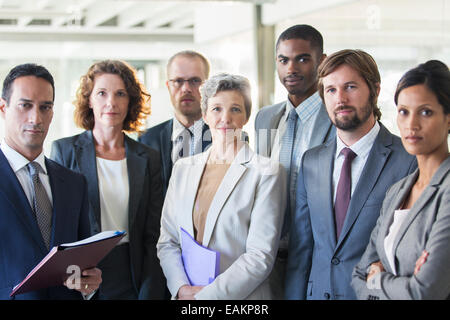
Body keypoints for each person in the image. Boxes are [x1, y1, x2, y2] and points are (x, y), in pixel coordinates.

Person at [285, 49, 417, 300]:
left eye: (350, 87)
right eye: (331, 90)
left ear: (375, 91)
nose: (340, 99)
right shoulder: (312, 161)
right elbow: (301, 251)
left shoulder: (408, 161)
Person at [157, 73, 286, 300]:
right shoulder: (183, 169)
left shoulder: (266, 172)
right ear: (205, 115)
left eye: (235, 109)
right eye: (216, 109)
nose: (225, 118)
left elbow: (259, 256)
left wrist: (204, 298)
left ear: (246, 116)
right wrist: (181, 289)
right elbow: (168, 241)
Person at [51, 60, 166, 299]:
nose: (111, 102)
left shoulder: (149, 158)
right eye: (102, 93)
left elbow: (153, 234)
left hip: (132, 273)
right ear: (89, 100)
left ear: (130, 101)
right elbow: (58, 227)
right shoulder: (64, 151)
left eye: (120, 94)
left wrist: (149, 292)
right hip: (81, 273)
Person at [0, 63, 101, 300]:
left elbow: (81, 266)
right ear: (3, 108)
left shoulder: (74, 184)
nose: (36, 118)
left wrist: (89, 285)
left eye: (45, 107)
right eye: (25, 105)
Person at [351, 60, 450, 300]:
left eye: (425, 112)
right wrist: (400, 282)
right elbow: (357, 277)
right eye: (404, 112)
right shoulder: (397, 191)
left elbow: (424, 292)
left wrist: (378, 278)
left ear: (448, 118)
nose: (411, 125)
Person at [254, 24, 335, 299]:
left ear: (322, 61)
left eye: (302, 58)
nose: (291, 68)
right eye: (283, 60)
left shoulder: (337, 120)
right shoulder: (265, 118)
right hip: (268, 256)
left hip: (316, 255)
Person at [139, 50, 212, 197]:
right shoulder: (147, 140)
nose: (186, 89)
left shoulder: (228, 138)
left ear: (208, 86)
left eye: (195, 81)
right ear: (168, 86)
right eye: (178, 81)